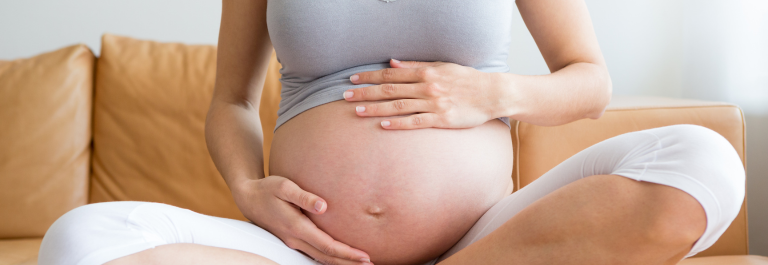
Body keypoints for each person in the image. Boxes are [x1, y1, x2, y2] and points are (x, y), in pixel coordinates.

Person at [38, 0, 745, 264]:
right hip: (304, 250)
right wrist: (248, 188)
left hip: (483, 234)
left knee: (706, 164)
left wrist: (490, 92)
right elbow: (230, 101)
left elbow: (590, 81)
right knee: (78, 243)